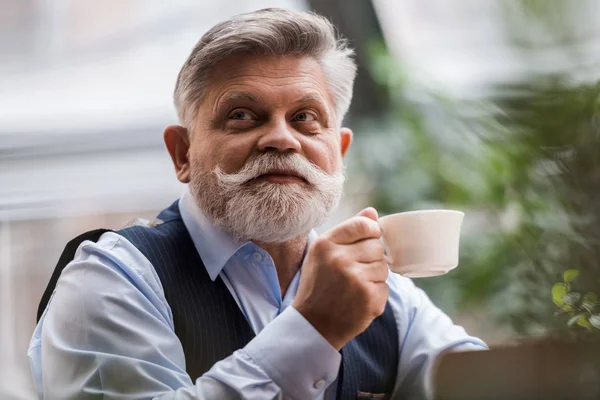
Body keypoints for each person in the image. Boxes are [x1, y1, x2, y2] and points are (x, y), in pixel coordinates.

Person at [28, 8, 486, 400]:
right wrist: (312, 330)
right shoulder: (110, 280)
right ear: (182, 154)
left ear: (339, 152)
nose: (281, 138)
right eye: (243, 115)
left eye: (305, 118)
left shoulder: (389, 300)